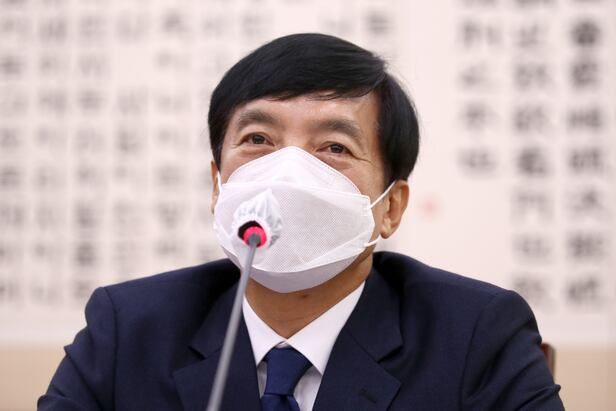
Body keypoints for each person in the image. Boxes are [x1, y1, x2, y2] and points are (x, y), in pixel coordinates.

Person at [39, 33, 564, 411]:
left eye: (334, 147)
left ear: (391, 207)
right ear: (218, 185)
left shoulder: (474, 334)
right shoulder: (128, 328)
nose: (287, 173)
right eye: (258, 140)